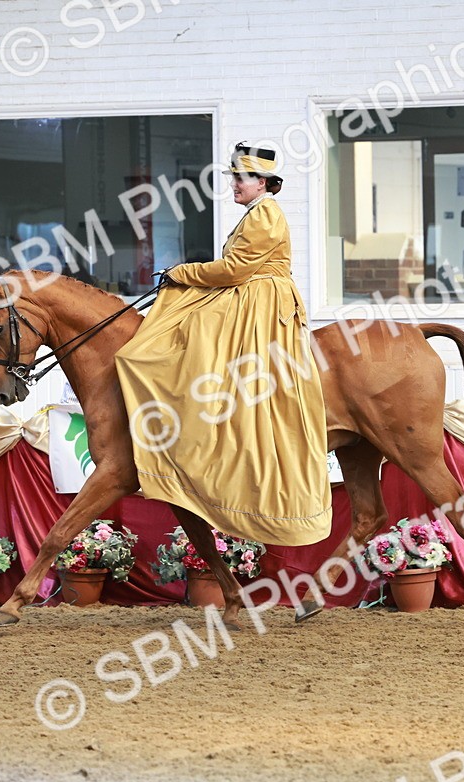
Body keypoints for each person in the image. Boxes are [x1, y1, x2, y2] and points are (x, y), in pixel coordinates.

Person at [114, 143, 332, 547]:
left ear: (262, 182)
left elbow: (234, 269)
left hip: (261, 303)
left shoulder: (265, 214)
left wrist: (181, 273)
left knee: (195, 331)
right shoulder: (257, 213)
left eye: (241, 178)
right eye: (234, 178)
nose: (234, 185)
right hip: (250, 296)